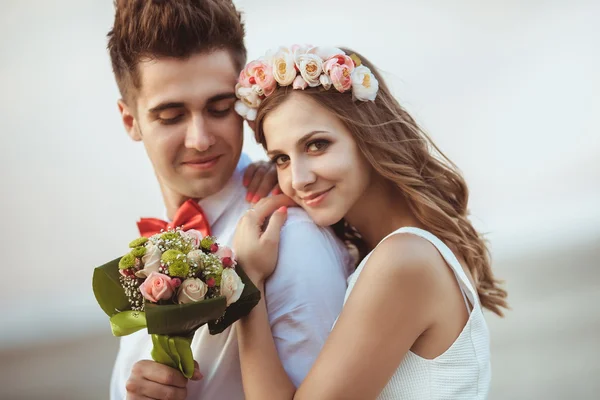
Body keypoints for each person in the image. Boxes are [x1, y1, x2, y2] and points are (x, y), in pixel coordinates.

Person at [231, 45, 509, 399]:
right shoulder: (412, 248)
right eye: (282, 158)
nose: (298, 179)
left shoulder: (404, 260)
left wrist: (247, 283)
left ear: (368, 136)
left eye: (317, 145)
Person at [106, 3, 353, 399]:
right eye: (171, 116)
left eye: (219, 108)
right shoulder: (149, 252)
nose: (200, 139)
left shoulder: (290, 239)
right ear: (130, 121)